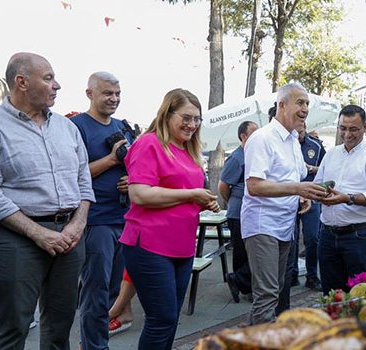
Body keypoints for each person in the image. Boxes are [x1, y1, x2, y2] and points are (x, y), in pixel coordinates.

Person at [0, 52, 94, 349]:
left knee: (60, 328)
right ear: (21, 82)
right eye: (48, 78)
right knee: (12, 328)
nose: (57, 85)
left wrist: (78, 223)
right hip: (17, 238)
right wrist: (37, 232)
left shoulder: (67, 127)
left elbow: (83, 180)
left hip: (71, 237)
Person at [119, 88, 220, 349]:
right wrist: (191, 194)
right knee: (161, 318)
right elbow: (139, 193)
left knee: (169, 319)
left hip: (181, 246)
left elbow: (184, 197)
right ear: (167, 113)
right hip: (150, 244)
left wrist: (203, 201)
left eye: (197, 119)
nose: (192, 125)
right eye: (186, 117)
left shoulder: (188, 150)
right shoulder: (149, 143)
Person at [241, 83, 327, 325]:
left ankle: (247, 339)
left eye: (307, 104)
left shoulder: (292, 139)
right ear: (281, 105)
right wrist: (298, 189)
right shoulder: (262, 138)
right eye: (300, 103)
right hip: (262, 226)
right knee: (267, 294)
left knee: (275, 293)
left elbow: (294, 177)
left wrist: (303, 196)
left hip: (284, 227)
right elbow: (254, 186)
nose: (305, 109)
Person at [71, 72, 135, 350]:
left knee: (111, 291)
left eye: (117, 93)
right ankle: (93, 346)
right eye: (108, 93)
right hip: (94, 222)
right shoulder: (76, 127)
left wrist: (132, 180)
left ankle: (99, 343)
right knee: (94, 292)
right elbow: (71, 175)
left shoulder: (123, 126)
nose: (114, 99)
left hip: (124, 219)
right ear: (90, 94)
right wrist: (110, 160)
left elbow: (137, 166)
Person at [314, 105, 366, 293]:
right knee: (330, 293)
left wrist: (347, 198)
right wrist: (312, 196)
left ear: (365, 127)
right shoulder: (331, 154)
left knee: (358, 294)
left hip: (358, 236)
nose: (347, 134)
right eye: (343, 128)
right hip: (327, 235)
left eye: (353, 129)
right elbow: (318, 183)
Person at [219, 120, 258, 303]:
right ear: (243, 136)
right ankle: (242, 285)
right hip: (238, 211)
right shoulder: (236, 157)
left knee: (250, 250)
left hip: (250, 210)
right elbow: (223, 186)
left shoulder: (254, 154)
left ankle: (240, 281)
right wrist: (232, 202)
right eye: (254, 132)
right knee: (242, 251)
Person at [288, 123, 326, 290]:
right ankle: (292, 274)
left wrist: (310, 168)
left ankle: (312, 275)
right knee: (291, 238)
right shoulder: (286, 145)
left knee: (312, 238)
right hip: (290, 197)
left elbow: (326, 169)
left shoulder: (316, 146)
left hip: (312, 197)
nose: (298, 133)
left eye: (301, 129)